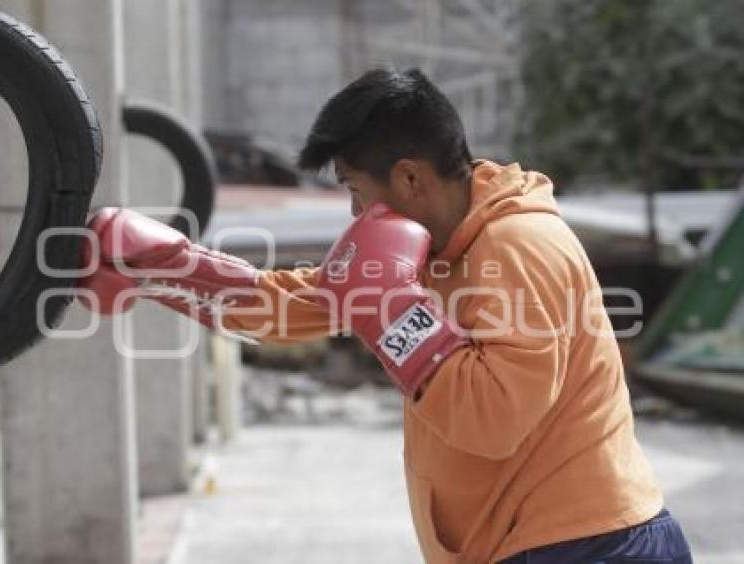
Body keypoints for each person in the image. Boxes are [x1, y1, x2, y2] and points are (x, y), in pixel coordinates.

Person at [76, 68, 692, 563]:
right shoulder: (431, 245)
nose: (354, 214)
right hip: (535, 545)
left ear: (409, 177)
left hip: (593, 544)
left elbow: (497, 417)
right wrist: (166, 271)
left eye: (354, 190)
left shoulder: (519, 245)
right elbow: (301, 304)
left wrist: (396, 314)